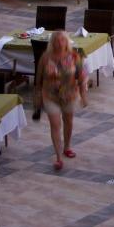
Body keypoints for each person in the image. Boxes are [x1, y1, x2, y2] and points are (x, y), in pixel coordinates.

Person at [35, 30, 88, 171]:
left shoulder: (74, 56)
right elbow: (38, 78)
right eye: (57, 40)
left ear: (67, 42)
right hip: (50, 95)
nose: (59, 43)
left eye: (62, 40)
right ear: (52, 43)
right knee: (55, 124)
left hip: (69, 95)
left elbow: (81, 77)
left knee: (68, 121)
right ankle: (58, 157)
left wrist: (83, 95)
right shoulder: (45, 57)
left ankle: (67, 147)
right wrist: (38, 96)